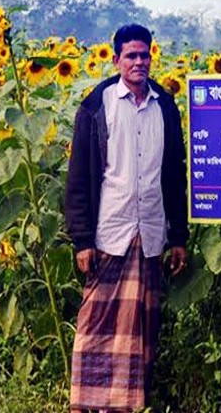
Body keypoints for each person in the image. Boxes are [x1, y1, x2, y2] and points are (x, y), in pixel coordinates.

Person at [64, 23, 189, 412]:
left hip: (150, 233)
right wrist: (82, 240)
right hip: (109, 234)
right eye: (131, 56)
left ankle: (130, 404)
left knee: (140, 330)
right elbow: (79, 178)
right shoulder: (96, 105)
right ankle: (90, 405)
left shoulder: (165, 106)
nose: (139, 62)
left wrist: (179, 236)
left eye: (145, 54)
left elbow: (174, 174)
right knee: (97, 327)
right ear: (116, 59)